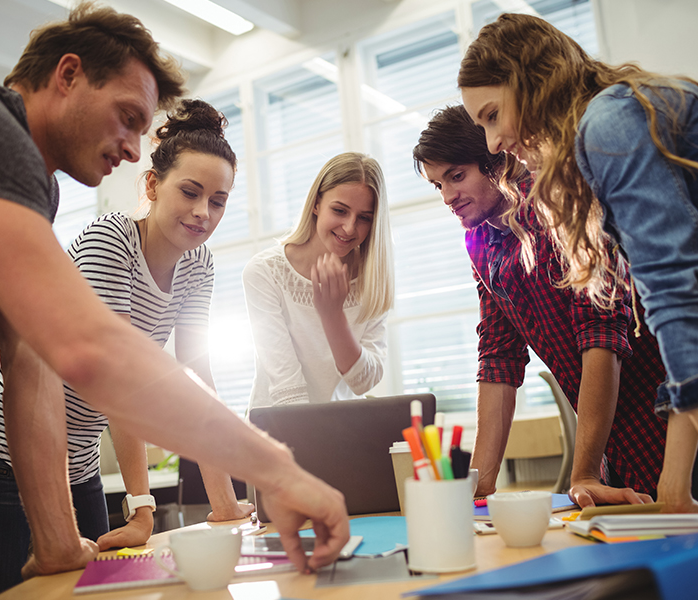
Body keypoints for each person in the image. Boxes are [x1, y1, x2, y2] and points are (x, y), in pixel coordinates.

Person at [0, 4, 348, 598]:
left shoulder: (37, 188)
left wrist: (54, 538)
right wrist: (277, 470)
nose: (130, 148)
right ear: (67, 75)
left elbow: (30, 356)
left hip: (68, 473)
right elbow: (92, 353)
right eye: (126, 118)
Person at [0, 98, 257, 595]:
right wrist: (142, 504)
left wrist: (226, 503)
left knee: (94, 591)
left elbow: (198, 375)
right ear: (151, 185)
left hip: (77, 462)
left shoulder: (200, 266)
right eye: (190, 192)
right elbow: (120, 378)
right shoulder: (113, 240)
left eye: (217, 201)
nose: (202, 212)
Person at [458, 12, 698, 513]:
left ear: (530, 83)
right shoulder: (599, 134)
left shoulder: (608, 125)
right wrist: (675, 490)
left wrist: (676, 487)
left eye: (493, 115)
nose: (493, 142)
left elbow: (677, 297)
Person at [413, 105, 669, 507]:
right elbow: (498, 357)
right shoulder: (480, 244)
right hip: (612, 452)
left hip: (664, 425)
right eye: (437, 185)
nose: (447, 196)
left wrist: (582, 471)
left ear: (495, 161)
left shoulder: (559, 204)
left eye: (456, 176)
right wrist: (480, 482)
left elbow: (601, 333)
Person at [243, 152, 394, 410]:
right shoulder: (265, 271)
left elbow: (363, 382)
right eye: (339, 210)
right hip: (277, 429)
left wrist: (333, 316)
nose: (349, 227)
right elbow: (286, 388)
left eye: (364, 218)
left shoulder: (373, 280)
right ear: (316, 204)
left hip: (338, 432)